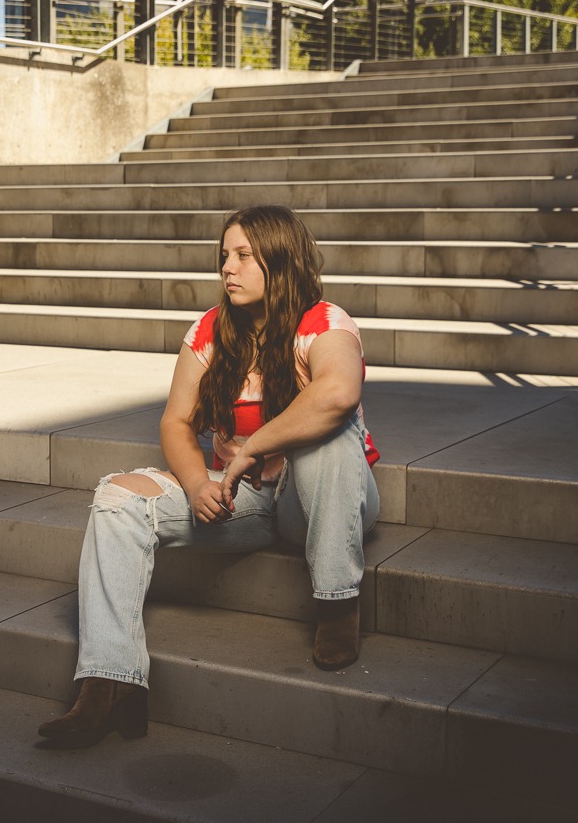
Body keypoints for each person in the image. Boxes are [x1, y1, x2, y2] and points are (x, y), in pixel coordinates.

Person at [36, 205, 381, 749]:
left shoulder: (324, 321)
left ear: (280, 259)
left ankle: (338, 603)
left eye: (244, 256)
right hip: (242, 501)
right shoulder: (209, 331)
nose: (228, 267)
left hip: (317, 499)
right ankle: (110, 683)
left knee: (328, 439)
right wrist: (198, 483)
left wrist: (256, 447)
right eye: (224, 256)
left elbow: (338, 393)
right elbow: (175, 420)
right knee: (115, 499)